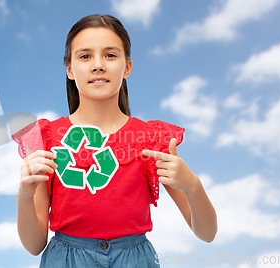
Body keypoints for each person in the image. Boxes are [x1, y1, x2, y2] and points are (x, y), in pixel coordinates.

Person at [12, 14, 217, 268]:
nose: (98, 65)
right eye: (85, 56)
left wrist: (193, 185)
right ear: (69, 69)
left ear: (127, 67)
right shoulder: (44, 138)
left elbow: (207, 234)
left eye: (110, 55)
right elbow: (34, 246)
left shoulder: (152, 140)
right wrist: (24, 195)